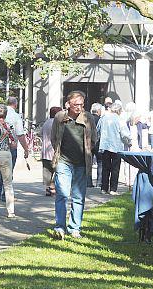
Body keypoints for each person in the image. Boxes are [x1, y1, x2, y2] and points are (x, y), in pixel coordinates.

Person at [50, 91, 97, 240]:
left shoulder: (88, 118)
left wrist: (88, 152)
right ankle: (60, 227)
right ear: (68, 104)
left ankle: (75, 228)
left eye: (81, 104)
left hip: (82, 163)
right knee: (62, 194)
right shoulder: (59, 117)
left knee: (78, 197)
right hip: (63, 161)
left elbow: (94, 138)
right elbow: (54, 138)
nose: (79, 107)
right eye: (76, 104)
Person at [0, 97, 29, 201]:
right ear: (15, 104)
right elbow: (20, 134)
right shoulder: (16, 117)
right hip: (9, 149)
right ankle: (4, 194)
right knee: (8, 172)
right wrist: (26, 149)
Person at [97, 102, 131, 195]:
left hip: (105, 145)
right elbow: (124, 134)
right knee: (115, 168)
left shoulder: (103, 118)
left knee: (105, 168)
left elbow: (98, 129)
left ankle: (104, 188)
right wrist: (128, 142)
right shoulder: (120, 119)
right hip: (116, 146)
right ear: (119, 111)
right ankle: (113, 189)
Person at [42, 107, 60, 196]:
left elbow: (41, 133)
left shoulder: (46, 122)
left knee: (47, 171)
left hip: (45, 151)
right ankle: (53, 188)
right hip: (54, 151)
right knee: (57, 171)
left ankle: (47, 188)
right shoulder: (57, 123)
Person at [88, 103, 103, 187]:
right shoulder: (101, 120)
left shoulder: (88, 119)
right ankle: (99, 182)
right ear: (98, 111)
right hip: (98, 143)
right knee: (100, 163)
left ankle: (88, 182)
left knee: (88, 163)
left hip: (89, 143)